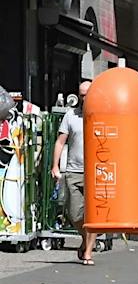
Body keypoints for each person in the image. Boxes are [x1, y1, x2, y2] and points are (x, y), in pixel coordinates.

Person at [52, 79, 96, 264]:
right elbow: (61, 141)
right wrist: (55, 166)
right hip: (74, 170)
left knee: (93, 216)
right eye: (81, 94)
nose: (83, 98)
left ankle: (88, 253)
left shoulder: (101, 114)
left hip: (96, 171)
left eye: (87, 94)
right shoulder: (71, 115)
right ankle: (85, 240)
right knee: (74, 213)